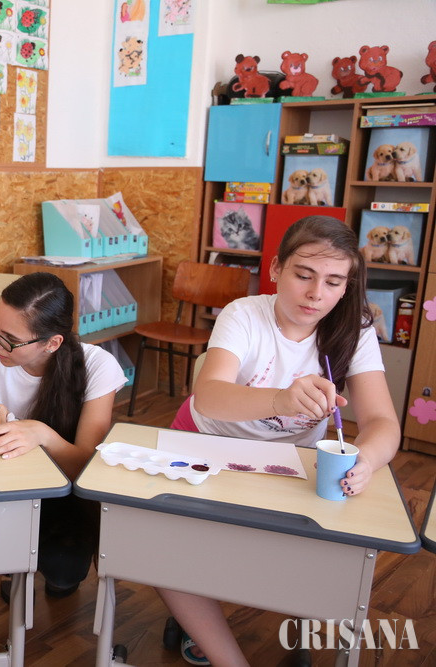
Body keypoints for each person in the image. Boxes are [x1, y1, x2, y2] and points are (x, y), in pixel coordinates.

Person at [163, 215, 400, 666]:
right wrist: (281, 398)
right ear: (275, 269)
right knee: (169, 546)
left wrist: (366, 460)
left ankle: (235, 613)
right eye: (303, 275)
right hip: (203, 444)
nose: (316, 294)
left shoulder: (354, 330)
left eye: (333, 282)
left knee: (305, 556)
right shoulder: (244, 314)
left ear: (347, 286)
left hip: (289, 463)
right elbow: (209, 396)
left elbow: (383, 423)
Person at [0, 271, 127, 598]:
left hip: (66, 496)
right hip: (5, 491)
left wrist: (42, 434)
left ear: (52, 343)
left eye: (9, 338)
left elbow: (86, 467)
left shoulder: (98, 367)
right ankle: (14, 563)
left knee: (63, 574)